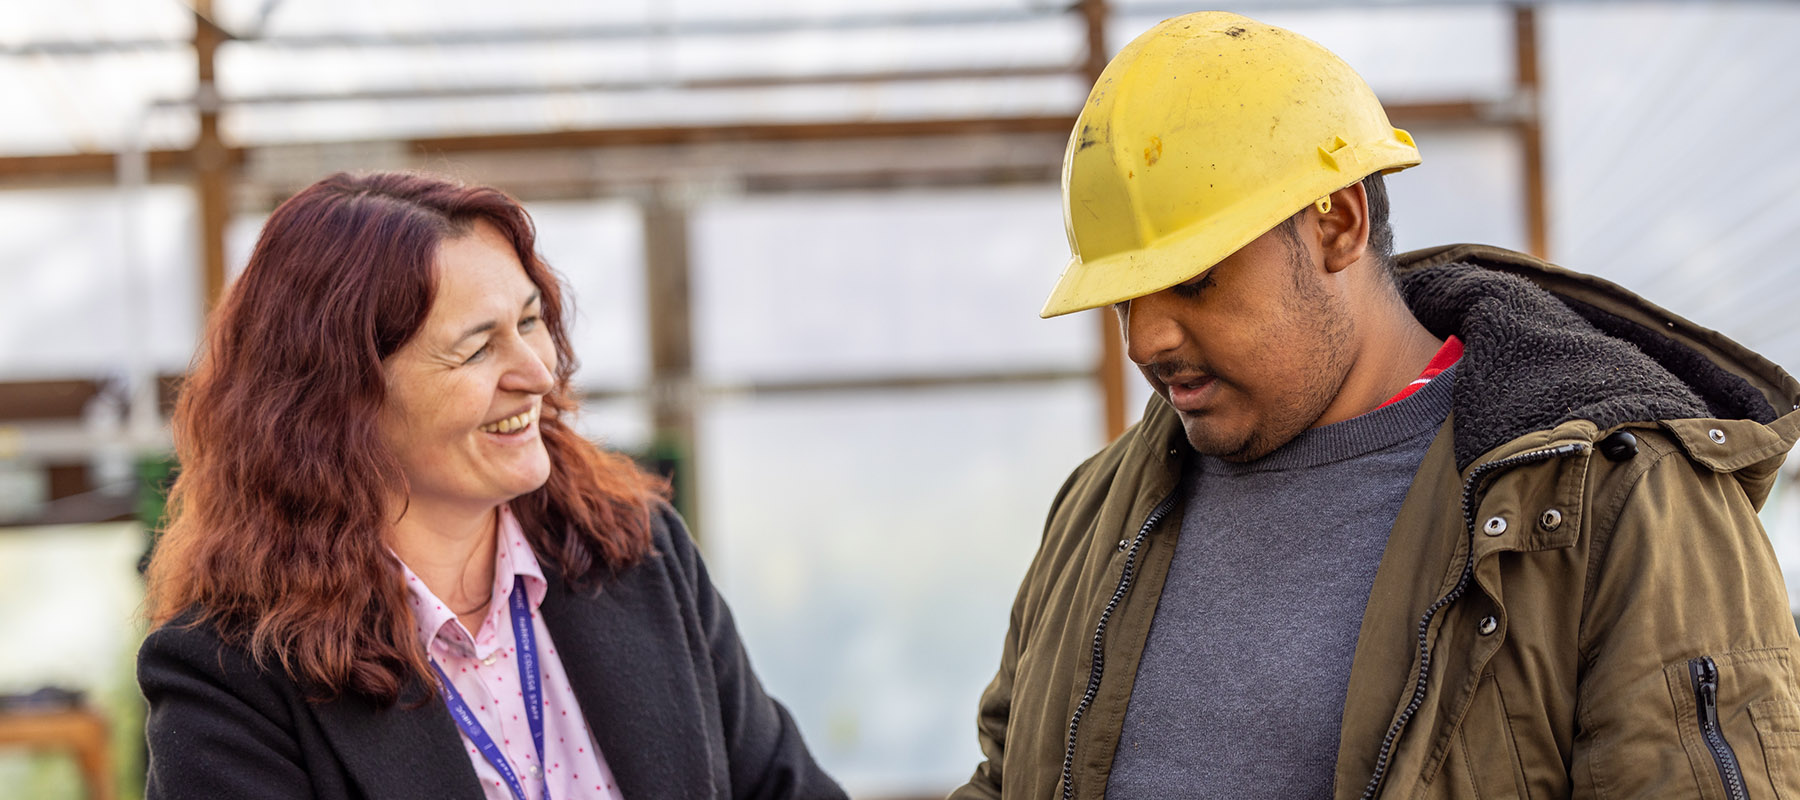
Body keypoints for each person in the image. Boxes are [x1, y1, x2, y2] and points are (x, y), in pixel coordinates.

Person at [951, 12, 1800, 800]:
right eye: (1123, 298)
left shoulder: (1612, 502)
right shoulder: (1100, 506)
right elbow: (1006, 772)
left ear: (1338, 225)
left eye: (1193, 280)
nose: (1145, 341)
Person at [138, 171, 846, 800]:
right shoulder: (230, 676)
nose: (538, 372)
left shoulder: (640, 555)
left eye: (531, 321)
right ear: (340, 402)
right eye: (477, 348)